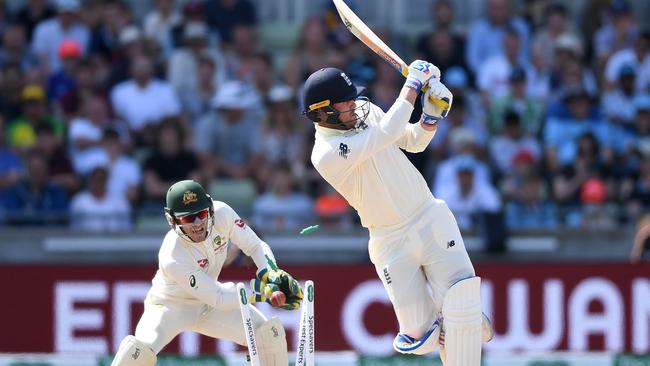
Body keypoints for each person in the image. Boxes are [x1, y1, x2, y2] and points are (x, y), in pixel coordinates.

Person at [304, 63, 492, 363]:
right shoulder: (325, 153)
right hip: (389, 240)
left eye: (354, 97)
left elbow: (413, 141)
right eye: (346, 101)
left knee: (461, 302)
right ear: (322, 110)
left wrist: (430, 115)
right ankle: (451, 323)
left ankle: (461, 319)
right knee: (419, 335)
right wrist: (413, 86)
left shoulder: (367, 112)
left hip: (429, 216)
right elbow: (385, 133)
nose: (355, 104)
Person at [111, 180, 303, 365]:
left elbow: (255, 246)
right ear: (173, 219)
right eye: (187, 218)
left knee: (267, 334)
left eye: (201, 214)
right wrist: (262, 294)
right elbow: (218, 296)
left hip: (208, 308)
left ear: (210, 208)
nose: (197, 224)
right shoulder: (173, 255)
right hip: (170, 307)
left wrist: (272, 274)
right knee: (138, 351)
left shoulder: (222, 214)